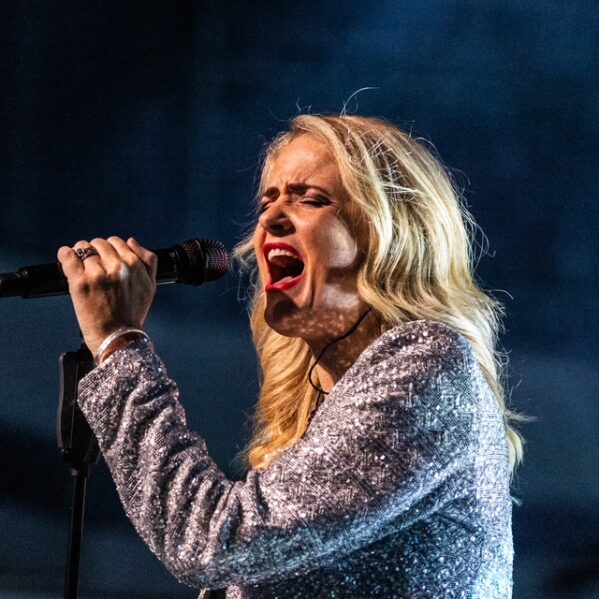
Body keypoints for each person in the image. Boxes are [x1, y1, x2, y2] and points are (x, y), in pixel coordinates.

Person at [57, 115, 522, 598]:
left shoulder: (429, 365)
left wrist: (118, 344)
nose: (271, 218)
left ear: (389, 233)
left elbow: (213, 542)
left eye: (311, 199)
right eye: (268, 200)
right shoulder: (321, 405)